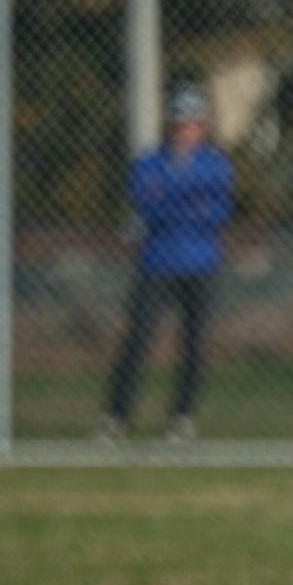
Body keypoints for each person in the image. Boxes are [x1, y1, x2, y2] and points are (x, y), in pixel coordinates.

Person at [98, 85, 235, 443]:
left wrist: (175, 202)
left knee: (194, 345)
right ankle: (116, 417)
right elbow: (148, 206)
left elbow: (217, 211)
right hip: (157, 262)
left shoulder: (216, 165)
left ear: (203, 126)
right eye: (180, 123)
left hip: (200, 264)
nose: (186, 130)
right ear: (170, 125)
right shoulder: (148, 163)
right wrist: (190, 203)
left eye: (193, 123)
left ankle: (182, 417)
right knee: (138, 340)